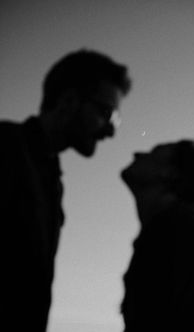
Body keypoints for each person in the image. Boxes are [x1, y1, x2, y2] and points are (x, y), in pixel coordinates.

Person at [1, 49, 131, 332]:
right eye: (107, 114)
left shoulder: (52, 179)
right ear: (69, 101)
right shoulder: (6, 148)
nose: (111, 132)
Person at [120, 139, 194, 331]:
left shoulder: (178, 228)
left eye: (153, 154)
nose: (137, 154)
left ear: (168, 173)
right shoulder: (178, 226)